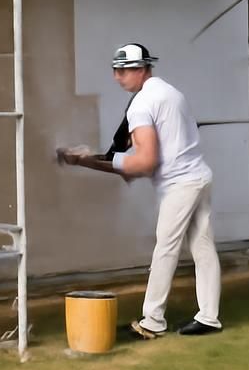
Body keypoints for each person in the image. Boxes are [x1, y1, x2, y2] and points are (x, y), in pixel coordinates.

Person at [57, 42, 223, 339]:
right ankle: (209, 317)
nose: (117, 77)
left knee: (165, 248)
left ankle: (152, 322)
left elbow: (145, 163)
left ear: (142, 69)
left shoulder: (143, 105)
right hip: (199, 176)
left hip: (180, 184)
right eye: (115, 70)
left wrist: (86, 160)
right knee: (202, 246)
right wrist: (95, 159)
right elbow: (133, 160)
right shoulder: (171, 93)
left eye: (123, 70)